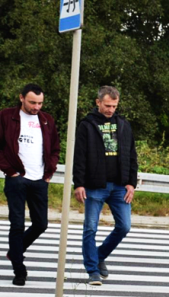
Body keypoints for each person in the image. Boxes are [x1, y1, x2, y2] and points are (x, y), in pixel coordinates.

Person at [73, 86, 138, 286]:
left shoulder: (123, 124)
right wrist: (79, 183)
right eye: (107, 105)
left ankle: (99, 255)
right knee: (90, 228)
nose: (110, 109)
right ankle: (92, 270)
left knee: (124, 226)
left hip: (120, 186)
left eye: (114, 106)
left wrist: (131, 183)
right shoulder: (87, 124)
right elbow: (79, 155)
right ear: (98, 102)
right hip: (94, 185)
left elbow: (132, 155)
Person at [0, 84, 60, 286]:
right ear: (21, 98)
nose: (36, 107)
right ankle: (19, 269)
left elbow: (55, 148)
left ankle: (14, 251)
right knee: (17, 224)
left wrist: (49, 173)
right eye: (33, 102)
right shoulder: (7, 116)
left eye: (40, 103)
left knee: (41, 224)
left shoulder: (46, 120)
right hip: (17, 178)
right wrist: (10, 171)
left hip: (39, 180)